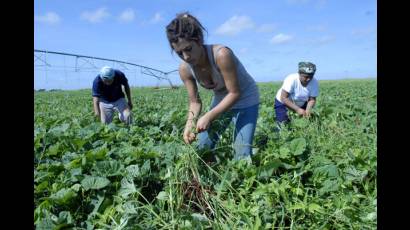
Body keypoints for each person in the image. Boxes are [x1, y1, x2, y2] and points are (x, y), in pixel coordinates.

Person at [165, 12, 260, 161]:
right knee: (202, 147)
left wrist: (209, 116)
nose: (186, 57)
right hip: (222, 98)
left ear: (199, 40)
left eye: (188, 49)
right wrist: (189, 125)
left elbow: (235, 93)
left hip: (246, 98)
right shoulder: (185, 69)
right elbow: (195, 102)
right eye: (179, 53)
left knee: (241, 155)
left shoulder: (221, 55)